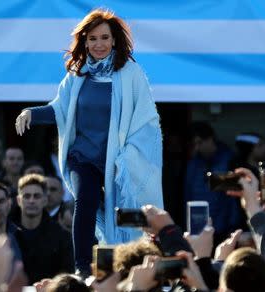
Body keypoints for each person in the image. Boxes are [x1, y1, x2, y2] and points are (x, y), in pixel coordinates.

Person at [15, 8, 163, 275]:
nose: (99, 44)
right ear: (84, 42)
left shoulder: (131, 73)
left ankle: (128, 264)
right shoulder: (77, 74)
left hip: (119, 161)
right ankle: (83, 267)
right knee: (86, 200)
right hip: (83, 158)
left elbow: (146, 121)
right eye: (92, 39)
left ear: (114, 40)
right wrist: (31, 113)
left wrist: (128, 156)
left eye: (104, 38)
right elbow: (59, 109)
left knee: (124, 213)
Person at [14, 174, 74, 284]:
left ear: (45, 200)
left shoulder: (62, 237)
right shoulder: (8, 235)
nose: (31, 201)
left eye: (36, 196)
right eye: (26, 196)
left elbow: (67, 275)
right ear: (18, 200)